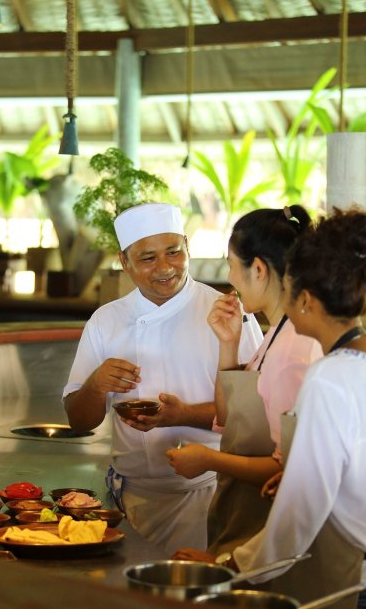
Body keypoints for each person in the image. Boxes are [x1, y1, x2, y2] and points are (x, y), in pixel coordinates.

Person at [173, 207, 366, 609]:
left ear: (305, 299)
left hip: (349, 582)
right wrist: (299, 473)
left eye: (288, 288)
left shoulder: (328, 377)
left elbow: (299, 514)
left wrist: (228, 564)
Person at [63, 202, 263, 553]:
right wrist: (96, 384)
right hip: (129, 497)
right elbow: (79, 422)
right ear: (124, 262)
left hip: (206, 495)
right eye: (147, 258)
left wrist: (182, 415)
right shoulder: (106, 320)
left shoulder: (227, 313)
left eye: (173, 252)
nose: (165, 268)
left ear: (188, 246)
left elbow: (254, 419)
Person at [164, 205, 323, 555]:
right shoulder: (277, 331)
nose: (230, 277)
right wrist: (228, 344)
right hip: (245, 523)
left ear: (259, 269)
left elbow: (288, 468)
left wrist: (208, 459)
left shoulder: (294, 349)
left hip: (268, 535)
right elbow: (228, 416)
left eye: (232, 265)